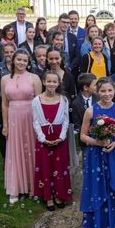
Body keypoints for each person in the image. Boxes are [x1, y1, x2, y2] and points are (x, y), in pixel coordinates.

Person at [80, 77, 115, 228]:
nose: (107, 94)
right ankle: (100, 225)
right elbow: (82, 136)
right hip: (96, 155)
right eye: (103, 90)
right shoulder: (90, 111)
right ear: (97, 91)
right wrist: (98, 142)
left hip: (114, 153)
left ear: (114, 91)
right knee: (99, 187)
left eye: (110, 90)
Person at [1, 49, 42, 204]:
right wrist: (5, 125)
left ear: (28, 62)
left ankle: (32, 186)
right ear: (13, 60)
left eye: (25, 60)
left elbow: (39, 103)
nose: (22, 63)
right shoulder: (5, 79)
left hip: (30, 117)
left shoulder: (35, 78)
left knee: (31, 150)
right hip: (13, 118)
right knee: (15, 150)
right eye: (19, 59)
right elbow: (4, 105)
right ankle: (16, 187)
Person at [32, 71, 71, 211]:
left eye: (54, 82)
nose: (51, 84)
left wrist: (61, 136)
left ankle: (59, 194)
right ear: (43, 82)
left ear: (58, 83)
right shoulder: (37, 100)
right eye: (48, 81)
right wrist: (42, 138)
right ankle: (48, 196)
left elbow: (66, 119)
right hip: (44, 138)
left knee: (59, 166)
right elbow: (36, 121)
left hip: (59, 137)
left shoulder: (63, 100)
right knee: (45, 166)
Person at [71, 73, 97, 153]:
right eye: (95, 85)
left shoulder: (98, 98)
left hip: (98, 136)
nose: (97, 87)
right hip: (85, 139)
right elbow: (77, 123)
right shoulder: (76, 103)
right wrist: (85, 135)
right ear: (86, 87)